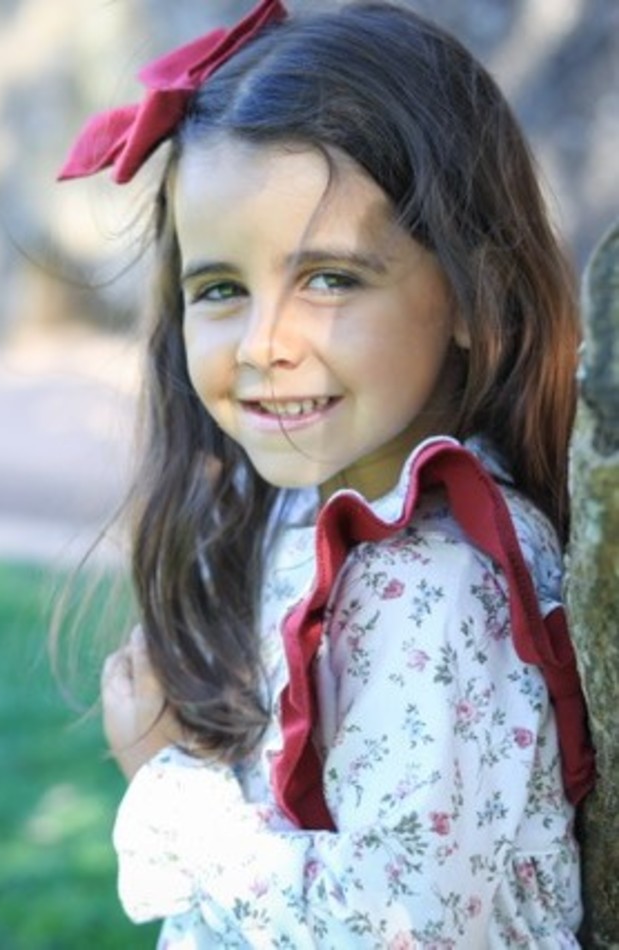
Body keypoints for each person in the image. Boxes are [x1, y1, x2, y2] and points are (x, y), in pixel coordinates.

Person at [59, 0, 596, 945]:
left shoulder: (437, 587)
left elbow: (392, 926)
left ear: (473, 292)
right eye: (221, 288)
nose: (261, 343)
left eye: (329, 279)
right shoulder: (301, 508)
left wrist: (166, 787)